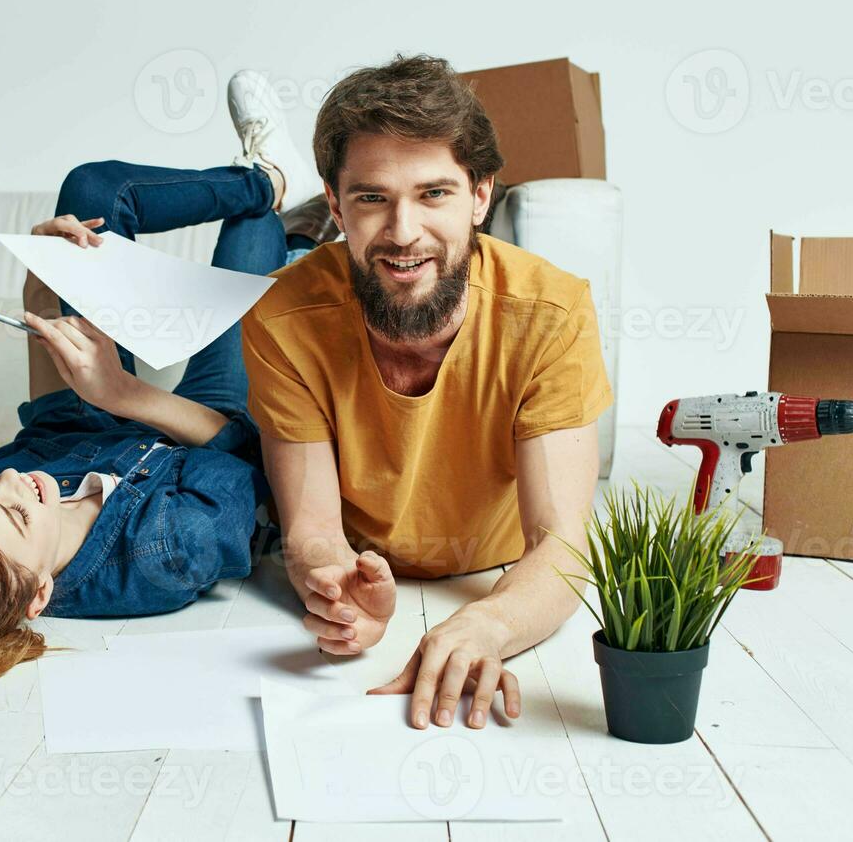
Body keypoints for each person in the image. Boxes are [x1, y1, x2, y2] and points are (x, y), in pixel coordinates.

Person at [0, 78, 324, 694]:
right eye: (16, 509)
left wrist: (39, 286)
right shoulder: (166, 556)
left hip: (100, 416)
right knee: (251, 238)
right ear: (39, 596)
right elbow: (252, 455)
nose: (11, 480)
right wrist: (126, 394)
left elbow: (49, 427)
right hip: (209, 429)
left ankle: (268, 176)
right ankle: (291, 232)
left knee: (90, 193)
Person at [240, 55, 613, 732]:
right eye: (372, 198)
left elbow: (560, 546)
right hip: (369, 555)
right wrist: (336, 586)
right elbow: (313, 529)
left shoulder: (551, 310)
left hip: (495, 565)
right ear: (335, 204)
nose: (403, 232)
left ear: (479, 195)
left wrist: (490, 622)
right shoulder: (280, 317)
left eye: (433, 194)